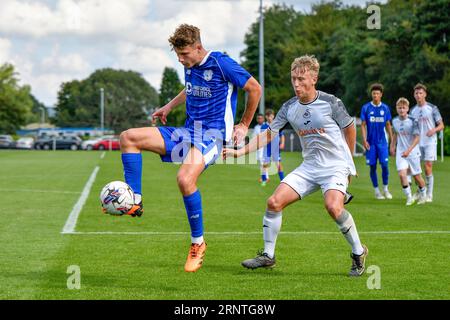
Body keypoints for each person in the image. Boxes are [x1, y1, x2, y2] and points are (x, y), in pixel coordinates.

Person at [119, 24, 261, 272]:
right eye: (177, 55)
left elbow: (254, 88)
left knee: (185, 179)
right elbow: (190, 89)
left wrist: (243, 124)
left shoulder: (221, 63)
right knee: (129, 137)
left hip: (213, 135)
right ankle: (134, 201)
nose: (181, 59)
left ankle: (198, 244)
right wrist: (168, 107)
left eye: (184, 54)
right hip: (188, 132)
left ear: (198, 47)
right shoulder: (191, 66)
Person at [223, 55, 368, 277]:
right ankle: (268, 256)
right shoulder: (289, 107)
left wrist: (348, 165)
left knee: (333, 207)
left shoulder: (331, 102)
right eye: (293, 79)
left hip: (335, 167)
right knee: (273, 202)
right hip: (309, 167)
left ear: (314, 78)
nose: (296, 84)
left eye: (301, 79)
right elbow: (269, 134)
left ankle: (358, 252)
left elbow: (349, 128)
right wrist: (240, 152)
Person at [409, 83, 445, 202]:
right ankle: (420, 192)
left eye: (420, 93)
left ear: (425, 94)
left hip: (430, 142)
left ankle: (429, 194)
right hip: (417, 143)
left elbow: (441, 125)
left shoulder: (432, 108)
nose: (418, 95)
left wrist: (433, 130)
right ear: (414, 95)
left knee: (428, 167)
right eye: (416, 93)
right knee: (416, 169)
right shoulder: (413, 111)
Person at [390, 98, 427, 205]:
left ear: (407, 109)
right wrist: (392, 146)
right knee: (402, 175)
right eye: (399, 108)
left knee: (417, 176)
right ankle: (409, 197)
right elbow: (395, 134)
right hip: (401, 153)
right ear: (397, 109)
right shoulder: (395, 121)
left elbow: (417, 138)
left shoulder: (413, 121)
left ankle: (423, 195)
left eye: (404, 108)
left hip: (413, 153)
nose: (401, 110)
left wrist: (408, 150)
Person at [360, 83, 394, 200]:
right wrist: (364, 140)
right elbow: (363, 125)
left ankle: (385, 189)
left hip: (382, 143)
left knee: (385, 165)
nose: (375, 95)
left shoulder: (385, 108)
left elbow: (388, 125)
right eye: (373, 93)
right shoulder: (366, 108)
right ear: (371, 94)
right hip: (371, 143)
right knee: (372, 167)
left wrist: (392, 141)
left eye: (377, 93)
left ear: (381, 95)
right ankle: (377, 191)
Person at [260, 109, 285, 187]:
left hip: (275, 149)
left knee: (278, 165)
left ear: (273, 116)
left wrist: (282, 143)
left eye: (271, 116)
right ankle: (264, 180)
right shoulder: (264, 126)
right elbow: (262, 137)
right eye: (268, 116)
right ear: (266, 117)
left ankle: (283, 181)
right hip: (267, 148)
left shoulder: (277, 125)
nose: (270, 118)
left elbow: (282, 135)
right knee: (265, 164)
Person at [252, 114, 266, 183]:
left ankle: (264, 177)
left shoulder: (266, 126)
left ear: (263, 119)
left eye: (261, 118)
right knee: (261, 162)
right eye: (258, 118)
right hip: (259, 146)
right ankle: (265, 177)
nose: (259, 119)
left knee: (262, 161)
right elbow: (254, 136)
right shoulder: (256, 127)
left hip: (265, 146)